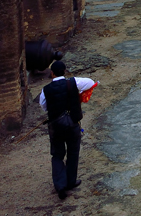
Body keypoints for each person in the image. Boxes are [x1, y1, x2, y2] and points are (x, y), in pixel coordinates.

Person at [39, 60, 98, 199]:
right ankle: (71, 181)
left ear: (52, 73)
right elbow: (90, 82)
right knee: (73, 152)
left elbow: (44, 106)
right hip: (72, 123)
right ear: (64, 71)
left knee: (57, 154)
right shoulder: (73, 83)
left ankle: (60, 185)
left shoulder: (45, 90)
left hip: (56, 126)